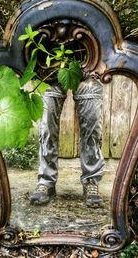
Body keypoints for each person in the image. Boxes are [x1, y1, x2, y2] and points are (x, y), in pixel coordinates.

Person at [30, 77, 105, 208]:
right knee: (47, 127)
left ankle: (91, 181)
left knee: (92, 125)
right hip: (49, 68)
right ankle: (46, 181)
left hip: (89, 64)